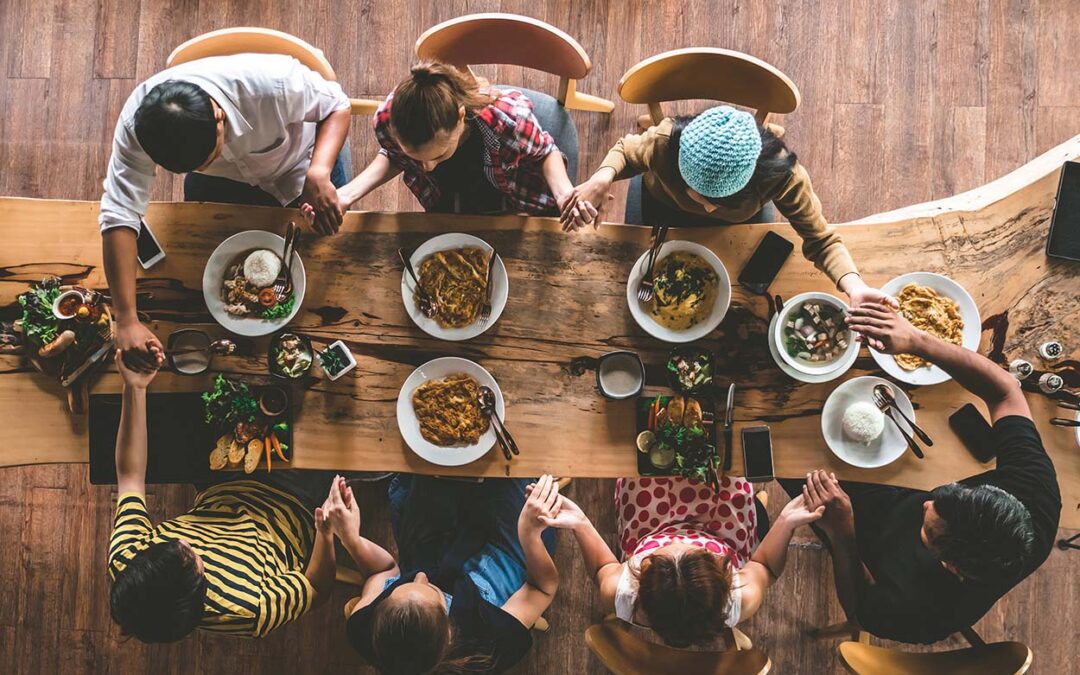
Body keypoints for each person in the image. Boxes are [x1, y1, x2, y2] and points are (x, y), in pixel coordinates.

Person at [786, 303, 1061, 644]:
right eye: (951, 494)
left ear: (952, 567)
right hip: (894, 487)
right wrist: (917, 341)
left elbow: (859, 612)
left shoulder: (924, 614)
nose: (926, 506)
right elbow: (1006, 391)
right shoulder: (1035, 495)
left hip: (861, 532)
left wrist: (842, 535)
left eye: (929, 530)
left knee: (788, 464)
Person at [100, 54, 353, 373]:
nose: (200, 167)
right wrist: (125, 319)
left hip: (301, 158)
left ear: (219, 115)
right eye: (193, 167)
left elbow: (338, 104)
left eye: (208, 156)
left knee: (329, 239)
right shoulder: (138, 125)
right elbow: (118, 214)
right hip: (226, 178)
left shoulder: (271, 83)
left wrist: (319, 172)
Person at [107, 351, 343, 642]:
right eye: (189, 555)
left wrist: (134, 387)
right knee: (337, 420)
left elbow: (130, 475)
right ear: (199, 585)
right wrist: (326, 531)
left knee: (207, 387)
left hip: (218, 489)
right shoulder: (249, 609)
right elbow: (316, 589)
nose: (182, 540)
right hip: (294, 500)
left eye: (169, 544)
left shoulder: (129, 562)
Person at [567, 106, 893, 308]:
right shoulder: (666, 140)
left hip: (736, 228)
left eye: (716, 200)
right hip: (661, 208)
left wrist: (855, 286)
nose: (704, 208)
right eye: (693, 190)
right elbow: (627, 149)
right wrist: (602, 177)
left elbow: (821, 239)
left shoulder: (782, 174)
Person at [545, 475, 823, 647]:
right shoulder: (742, 597)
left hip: (650, 526)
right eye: (694, 552)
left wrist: (580, 523)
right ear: (722, 579)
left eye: (664, 555)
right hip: (720, 530)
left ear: (642, 583)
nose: (679, 541)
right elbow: (765, 567)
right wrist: (786, 521)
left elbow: (601, 568)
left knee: (637, 472)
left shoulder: (623, 593)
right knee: (733, 474)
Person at [336, 474, 563, 674]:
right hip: (508, 553)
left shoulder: (364, 630)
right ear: (449, 631)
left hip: (432, 551)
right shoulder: (492, 644)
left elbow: (383, 570)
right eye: (431, 590)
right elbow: (542, 588)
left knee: (426, 467)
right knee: (510, 468)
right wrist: (529, 534)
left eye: (401, 586)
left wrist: (351, 540)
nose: (421, 577)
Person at [328, 62, 578, 219]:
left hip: (511, 188)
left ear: (461, 117)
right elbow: (393, 156)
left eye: (438, 155)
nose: (425, 168)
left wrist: (565, 193)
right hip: (444, 195)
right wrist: (347, 195)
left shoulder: (510, 124)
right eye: (415, 159)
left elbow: (546, 152)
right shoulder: (388, 120)